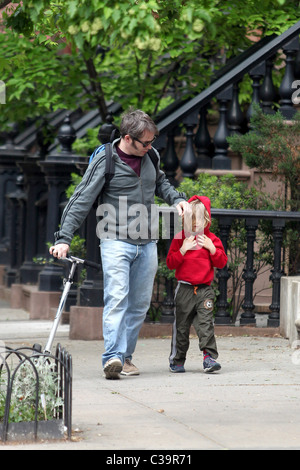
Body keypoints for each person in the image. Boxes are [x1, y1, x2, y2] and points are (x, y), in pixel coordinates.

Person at [49, 108, 189, 379]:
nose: (150, 147)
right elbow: (81, 199)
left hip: (146, 242)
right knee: (117, 299)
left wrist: (177, 198)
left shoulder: (151, 156)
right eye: (145, 143)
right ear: (127, 138)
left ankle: (125, 358)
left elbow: (160, 182)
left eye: (152, 143)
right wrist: (64, 238)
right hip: (115, 240)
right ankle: (111, 357)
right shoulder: (106, 160)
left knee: (139, 305)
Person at [166, 195, 228, 374]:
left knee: (206, 324)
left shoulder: (212, 239)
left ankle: (209, 358)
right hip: (184, 288)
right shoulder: (180, 238)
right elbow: (171, 262)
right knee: (182, 327)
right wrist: (183, 250)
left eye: (198, 219)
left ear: (206, 219)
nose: (194, 223)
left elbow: (222, 262)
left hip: (204, 290)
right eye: (190, 219)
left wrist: (212, 249)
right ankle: (177, 360)